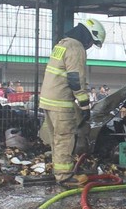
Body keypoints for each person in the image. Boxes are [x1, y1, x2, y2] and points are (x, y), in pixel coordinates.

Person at [39, 17, 106, 185]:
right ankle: (65, 176)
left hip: (48, 99)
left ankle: (59, 171)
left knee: (57, 138)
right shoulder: (76, 48)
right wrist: (84, 105)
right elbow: (75, 79)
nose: (90, 46)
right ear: (89, 36)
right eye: (92, 42)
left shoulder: (62, 44)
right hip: (61, 102)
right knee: (65, 138)